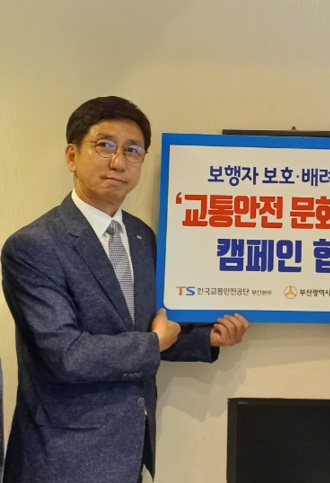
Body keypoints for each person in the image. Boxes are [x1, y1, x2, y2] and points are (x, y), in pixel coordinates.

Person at [1, 96, 250, 483]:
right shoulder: (34, 246)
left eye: (133, 150)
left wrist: (206, 338)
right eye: (104, 145)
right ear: (72, 155)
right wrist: (155, 342)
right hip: (62, 455)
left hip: (130, 447)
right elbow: (66, 356)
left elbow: (142, 328)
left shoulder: (140, 236)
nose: (119, 162)